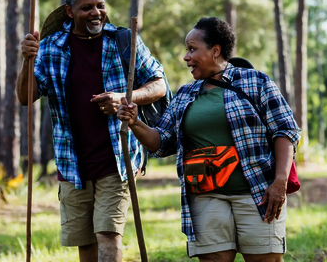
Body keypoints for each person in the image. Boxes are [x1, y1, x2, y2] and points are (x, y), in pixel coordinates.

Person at [117, 17, 300, 262]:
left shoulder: (255, 81)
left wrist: (279, 182)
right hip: (205, 196)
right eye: (186, 50)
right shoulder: (184, 95)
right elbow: (161, 142)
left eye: (192, 49)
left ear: (215, 51)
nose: (186, 57)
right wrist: (135, 122)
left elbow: (285, 130)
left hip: (258, 194)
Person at [17, 0, 167, 262]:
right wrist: (27, 60)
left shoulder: (124, 41)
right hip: (72, 162)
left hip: (117, 158)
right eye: (87, 7)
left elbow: (159, 85)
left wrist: (125, 98)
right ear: (70, 11)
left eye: (100, 5)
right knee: (85, 244)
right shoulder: (51, 47)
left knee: (108, 235)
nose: (96, 12)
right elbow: (26, 97)